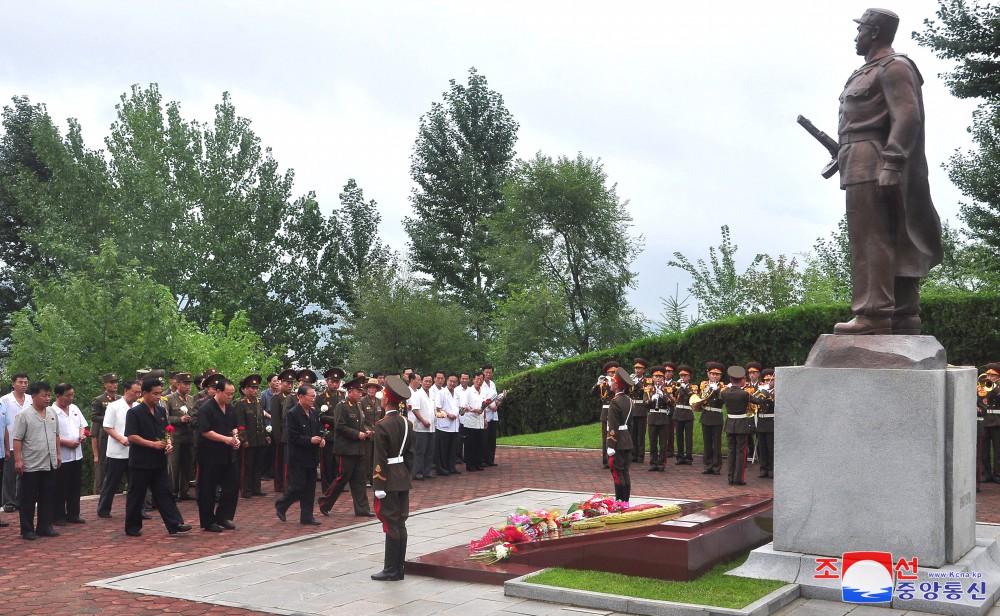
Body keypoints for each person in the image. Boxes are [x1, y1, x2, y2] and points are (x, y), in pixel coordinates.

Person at [833, 8, 942, 335]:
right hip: (858, 157)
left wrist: (893, 162)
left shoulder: (894, 67)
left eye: (861, 30)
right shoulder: (865, 70)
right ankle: (904, 314)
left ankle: (874, 315)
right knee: (890, 235)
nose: (856, 36)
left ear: (875, 32)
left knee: (871, 239)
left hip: (874, 160)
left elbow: (908, 117)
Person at [123, 378, 192, 537]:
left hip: (159, 460)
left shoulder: (161, 411)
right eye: (155, 394)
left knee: (164, 492)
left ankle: (175, 523)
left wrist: (168, 443)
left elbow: (166, 432)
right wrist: (152, 444)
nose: (158, 397)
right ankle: (132, 526)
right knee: (136, 494)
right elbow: (132, 436)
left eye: (160, 394)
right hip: (141, 460)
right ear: (144, 393)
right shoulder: (134, 412)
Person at [371, 375, 414, 582]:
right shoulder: (407, 423)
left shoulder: (382, 425)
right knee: (401, 522)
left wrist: (378, 483)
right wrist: (406, 473)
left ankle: (391, 569)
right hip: (402, 477)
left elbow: (379, 458)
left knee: (390, 522)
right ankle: (399, 567)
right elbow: (410, 455)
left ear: (387, 400)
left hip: (387, 478)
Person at [319, 376, 375, 517]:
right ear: (350, 392)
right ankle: (324, 502)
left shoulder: (358, 405)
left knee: (360, 480)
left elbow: (360, 424)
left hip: (358, 449)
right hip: (346, 449)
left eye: (361, 391)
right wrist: (357, 434)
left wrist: (366, 431)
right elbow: (340, 426)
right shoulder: (342, 406)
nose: (361, 393)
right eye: (358, 391)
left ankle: (362, 509)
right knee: (342, 478)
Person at [11, 382, 59, 540]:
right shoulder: (24, 415)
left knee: (47, 496)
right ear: (34, 396)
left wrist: (58, 454)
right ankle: (27, 529)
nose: (47, 398)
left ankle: (45, 526)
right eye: (44, 395)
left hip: (49, 461)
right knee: (28, 498)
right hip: (31, 463)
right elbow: (17, 439)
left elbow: (56, 435)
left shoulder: (52, 412)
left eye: (49, 395)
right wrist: (18, 460)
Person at [275, 382, 323, 525]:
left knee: (310, 487)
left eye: (314, 396)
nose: (313, 399)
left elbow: (319, 430)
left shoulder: (314, 412)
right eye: (310, 397)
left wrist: (321, 439)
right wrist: (310, 440)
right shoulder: (293, 413)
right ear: (300, 397)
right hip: (298, 457)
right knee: (298, 485)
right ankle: (282, 504)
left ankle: (307, 516)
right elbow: (293, 437)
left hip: (312, 456)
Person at [196, 375, 240, 532]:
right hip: (210, 455)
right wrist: (226, 439)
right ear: (218, 391)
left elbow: (234, 426)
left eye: (232, 393)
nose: (230, 396)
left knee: (232, 485)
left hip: (227, 454)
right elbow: (206, 431)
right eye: (228, 393)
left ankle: (223, 516)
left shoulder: (230, 408)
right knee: (208, 489)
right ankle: (208, 521)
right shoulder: (206, 408)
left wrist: (235, 438)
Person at [98, 379, 141, 518]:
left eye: (139, 392)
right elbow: (107, 427)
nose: (137, 395)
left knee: (136, 484)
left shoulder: (138, 406)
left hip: (134, 451)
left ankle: (138, 510)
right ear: (126, 390)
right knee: (111, 482)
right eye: (135, 392)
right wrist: (120, 438)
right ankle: (104, 509)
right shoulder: (114, 406)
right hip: (117, 451)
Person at [720, 366, 767, 486]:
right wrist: (764, 392)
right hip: (741, 424)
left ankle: (730, 477)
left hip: (730, 423)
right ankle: (738, 478)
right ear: (742, 380)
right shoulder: (744, 394)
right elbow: (759, 401)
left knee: (731, 451)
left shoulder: (725, 393)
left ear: (730, 379)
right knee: (741, 451)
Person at [52, 383, 88, 525]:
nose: (70, 398)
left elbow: (82, 425)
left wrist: (82, 435)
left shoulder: (74, 408)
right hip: (62, 455)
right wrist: (67, 442)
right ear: (58, 395)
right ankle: (59, 515)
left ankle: (74, 514)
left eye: (72, 395)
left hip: (76, 454)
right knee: (60, 487)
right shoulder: (52, 411)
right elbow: (50, 434)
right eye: (67, 395)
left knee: (75, 485)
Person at [233, 374, 269, 498]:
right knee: (246, 466)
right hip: (248, 440)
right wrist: (243, 439)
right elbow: (240, 424)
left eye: (256, 388)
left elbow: (261, 421)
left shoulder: (258, 402)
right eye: (252, 388)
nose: (255, 390)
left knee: (258, 465)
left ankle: (256, 488)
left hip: (259, 439)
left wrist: (266, 435)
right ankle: (245, 489)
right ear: (245, 389)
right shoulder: (240, 403)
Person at [164, 372, 197, 500]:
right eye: (185, 384)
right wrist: (179, 419)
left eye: (189, 384)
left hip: (189, 437)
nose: (188, 386)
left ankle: (184, 491)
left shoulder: (191, 399)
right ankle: (173, 491)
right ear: (178, 384)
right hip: (176, 438)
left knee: (187, 466)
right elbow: (166, 417)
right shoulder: (169, 399)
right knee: (174, 466)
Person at [1, 373, 31, 513]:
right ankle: (8, 501)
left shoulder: (31, 399)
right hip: (11, 441)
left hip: (28, 442)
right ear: (13, 384)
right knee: (9, 474)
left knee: (24, 473)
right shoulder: (5, 400)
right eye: (20, 382)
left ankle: (21, 499)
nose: (23, 385)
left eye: (25, 382)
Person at [605, 368, 635, 503]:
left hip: (617, 441)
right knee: (625, 473)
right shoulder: (629, 400)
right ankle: (626, 502)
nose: (610, 383)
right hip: (626, 439)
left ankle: (619, 503)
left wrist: (610, 445)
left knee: (617, 473)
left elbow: (613, 426)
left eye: (612, 381)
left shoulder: (614, 402)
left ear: (616, 385)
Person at [317, 367, 346, 493]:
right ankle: (327, 486)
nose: (335, 384)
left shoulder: (342, 395)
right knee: (327, 462)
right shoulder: (321, 397)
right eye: (332, 381)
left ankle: (337, 485)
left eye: (337, 382)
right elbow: (320, 416)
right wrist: (338, 420)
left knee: (338, 462)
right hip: (328, 434)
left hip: (340, 435)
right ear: (327, 382)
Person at [89, 373, 118, 494]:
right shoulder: (99, 400)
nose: (114, 385)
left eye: (116, 382)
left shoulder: (120, 399)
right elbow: (94, 416)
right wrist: (108, 420)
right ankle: (100, 490)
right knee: (102, 463)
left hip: (118, 433)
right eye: (111, 382)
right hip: (105, 435)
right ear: (105, 384)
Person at [268, 369, 296, 492]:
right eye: (287, 383)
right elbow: (275, 418)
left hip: (291, 434)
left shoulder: (294, 397)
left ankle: (287, 484)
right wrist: (277, 436)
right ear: (281, 383)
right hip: (281, 434)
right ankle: (280, 485)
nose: (290, 386)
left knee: (288, 460)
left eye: (291, 383)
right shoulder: (277, 398)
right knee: (280, 461)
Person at [645, 366, 674, 472]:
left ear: (663, 378)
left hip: (663, 418)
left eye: (660, 377)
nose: (658, 379)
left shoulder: (667, 389)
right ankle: (653, 463)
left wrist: (663, 396)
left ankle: (661, 463)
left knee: (663, 443)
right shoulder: (648, 390)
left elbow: (672, 403)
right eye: (656, 376)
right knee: (652, 441)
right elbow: (645, 403)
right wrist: (651, 399)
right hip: (652, 417)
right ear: (652, 378)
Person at [698, 362, 726, 476]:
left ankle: (716, 466)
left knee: (717, 443)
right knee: (707, 442)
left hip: (717, 416)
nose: (715, 376)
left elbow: (723, 400)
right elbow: (700, 398)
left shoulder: (723, 387)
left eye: (717, 374)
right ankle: (707, 465)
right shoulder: (703, 385)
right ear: (708, 374)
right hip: (706, 415)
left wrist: (717, 391)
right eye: (713, 374)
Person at [407, 373, 435, 480]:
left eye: (430, 381)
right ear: (421, 381)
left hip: (432, 426)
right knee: (419, 451)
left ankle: (426, 472)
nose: (428, 383)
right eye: (426, 381)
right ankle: (417, 473)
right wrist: (423, 421)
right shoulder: (417, 394)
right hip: (420, 427)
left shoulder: (432, 394)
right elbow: (415, 409)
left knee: (430, 451)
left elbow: (433, 409)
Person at [591, 361, 618, 469]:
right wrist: (598, 384)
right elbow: (592, 393)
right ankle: (606, 460)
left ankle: (615, 459)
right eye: (611, 373)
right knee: (605, 438)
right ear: (607, 373)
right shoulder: (603, 384)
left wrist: (613, 383)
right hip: (606, 412)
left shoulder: (617, 383)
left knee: (615, 436)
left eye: (614, 372)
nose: (612, 374)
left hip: (615, 412)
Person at [434, 373, 462, 476]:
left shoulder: (457, 394)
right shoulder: (441, 393)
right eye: (450, 381)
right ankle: (441, 468)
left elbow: (459, 408)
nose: (452, 383)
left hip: (454, 426)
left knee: (452, 448)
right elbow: (438, 408)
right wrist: (448, 414)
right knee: (443, 449)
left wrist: (461, 411)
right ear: (447, 381)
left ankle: (451, 467)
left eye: (454, 381)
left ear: (457, 383)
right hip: (444, 425)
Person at [461, 372, 487, 472]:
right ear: (473, 380)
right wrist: (474, 410)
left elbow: (484, 407)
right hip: (470, 422)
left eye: (481, 379)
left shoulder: (483, 392)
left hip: (480, 422)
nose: (479, 381)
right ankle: (470, 464)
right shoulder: (468, 392)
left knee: (479, 443)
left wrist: (485, 419)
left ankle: (477, 463)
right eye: (477, 379)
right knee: (470, 444)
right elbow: (464, 407)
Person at [673, 365, 697, 466]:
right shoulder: (676, 386)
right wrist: (679, 387)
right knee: (679, 436)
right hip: (678, 412)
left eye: (685, 375)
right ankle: (679, 456)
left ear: (689, 377)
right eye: (681, 375)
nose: (682, 377)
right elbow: (673, 395)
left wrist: (684, 388)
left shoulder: (693, 387)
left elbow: (693, 396)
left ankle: (688, 457)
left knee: (688, 436)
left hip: (687, 413)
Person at [628, 359, 650, 464]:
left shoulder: (647, 381)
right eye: (636, 368)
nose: (637, 370)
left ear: (643, 369)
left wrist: (637, 383)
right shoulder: (631, 379)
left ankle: (641, 455)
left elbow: (646, 391)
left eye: (639, 368)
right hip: (632, 407)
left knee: (641, 434)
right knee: (632, 433)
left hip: (641, 407)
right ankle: (633, 455)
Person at [756, 369, 776, 479]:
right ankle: (763, 469)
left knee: (771, 448)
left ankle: (771, 469)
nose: (768, 382)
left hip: (771, 422)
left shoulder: (776, 392)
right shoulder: (761, 391)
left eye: (771, 380)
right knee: (762, 447)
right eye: (766, 380)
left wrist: (767, 394)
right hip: (761, 422)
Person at [481, 364, 500, 467]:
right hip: (486, 414)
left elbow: (495, 398)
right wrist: (490, 406)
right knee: (484, 438)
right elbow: (482, 399)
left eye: (490, 372)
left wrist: (499, 401)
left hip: (494, 414)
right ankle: (483, 460)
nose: (488, 374)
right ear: (483, 372)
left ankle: (490, 459)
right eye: (486, 372)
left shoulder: (492, 384)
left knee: (492, 439)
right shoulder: (481, 384)